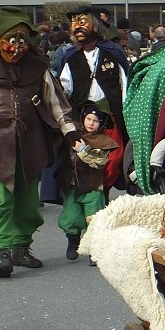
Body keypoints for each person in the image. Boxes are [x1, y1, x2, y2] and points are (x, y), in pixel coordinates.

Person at [0, 7, 80, 278]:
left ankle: (21, 247)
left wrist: (69, 130)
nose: (16, 47)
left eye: (22, 41)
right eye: (11, 40)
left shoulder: (39, 68)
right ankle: (1, 251)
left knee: (27, 200)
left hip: (31, 143)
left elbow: (56, 103)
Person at [59, 5, 130, 192]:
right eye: (74, 23)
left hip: (109, 118)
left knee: (112, 160)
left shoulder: (112, 52)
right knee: (82, 162)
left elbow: (124, 85)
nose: (77, 27)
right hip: (80, 120)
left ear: (95, 24)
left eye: (82, 22)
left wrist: (126, 115)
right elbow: (64, 88)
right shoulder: (70, 55)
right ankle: (89, 199)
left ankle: (103, 193)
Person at [58, 102, 118, 262]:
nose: (91, 123)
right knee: (70, 218)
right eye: (89, 119)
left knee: (94, 219)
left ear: (101, 123)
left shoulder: (104, 142)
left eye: (96, 121)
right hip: (73, 185)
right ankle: (73, 241)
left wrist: (83, 150)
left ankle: (94, 249)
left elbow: (99, 162)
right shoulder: (73, 135)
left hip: (93, 187)